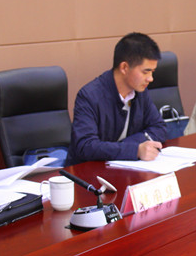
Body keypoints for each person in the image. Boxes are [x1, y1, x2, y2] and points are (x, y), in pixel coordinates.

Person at [67, 32, 167, 164]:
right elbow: (85, 146)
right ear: (124, 67)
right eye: (145, 72)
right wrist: (134, 150)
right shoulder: (89, 96)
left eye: (152, 72)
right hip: (89, 171)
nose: (150, 78)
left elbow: (160, 128)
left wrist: (127, 145)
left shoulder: (140, 92)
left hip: (125, 168)